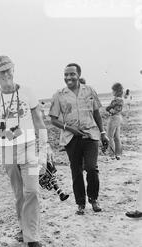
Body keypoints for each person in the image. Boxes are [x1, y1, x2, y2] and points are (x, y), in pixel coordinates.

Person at [0, 55, 51, 247]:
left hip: (30, 146)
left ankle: (33, 240)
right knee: (19, 193)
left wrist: (45, 146)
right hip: (7, 150)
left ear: (14, 69)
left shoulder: (28, 92)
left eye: (8, 70)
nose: (5, 74)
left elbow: (39, 121)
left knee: (32, 190)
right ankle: (24, 229)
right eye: (1, 72)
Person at [49, 63, 109, 215]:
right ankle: (80, 204)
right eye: (66, 75)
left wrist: (103, 133)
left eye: (72, 74)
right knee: (76, 171)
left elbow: (96, 114)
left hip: (90, 135)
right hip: (71, 138)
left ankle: (94, 199)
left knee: (91, 168)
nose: (68, 77)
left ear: (78, 75)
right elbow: (53, 119)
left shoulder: (89, 91)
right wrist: (70, 129)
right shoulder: (59, 95)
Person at [105, 83, 124, 160]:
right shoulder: (121, 99)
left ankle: (111, 155)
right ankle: (118, 154)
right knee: (117, 137)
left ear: (116, 91)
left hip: (113, 117)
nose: (112, 92)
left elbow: (109, 109)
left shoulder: (116, 99)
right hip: (119, 117)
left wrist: (109, 108)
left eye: (113, 90)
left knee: (110, 136)